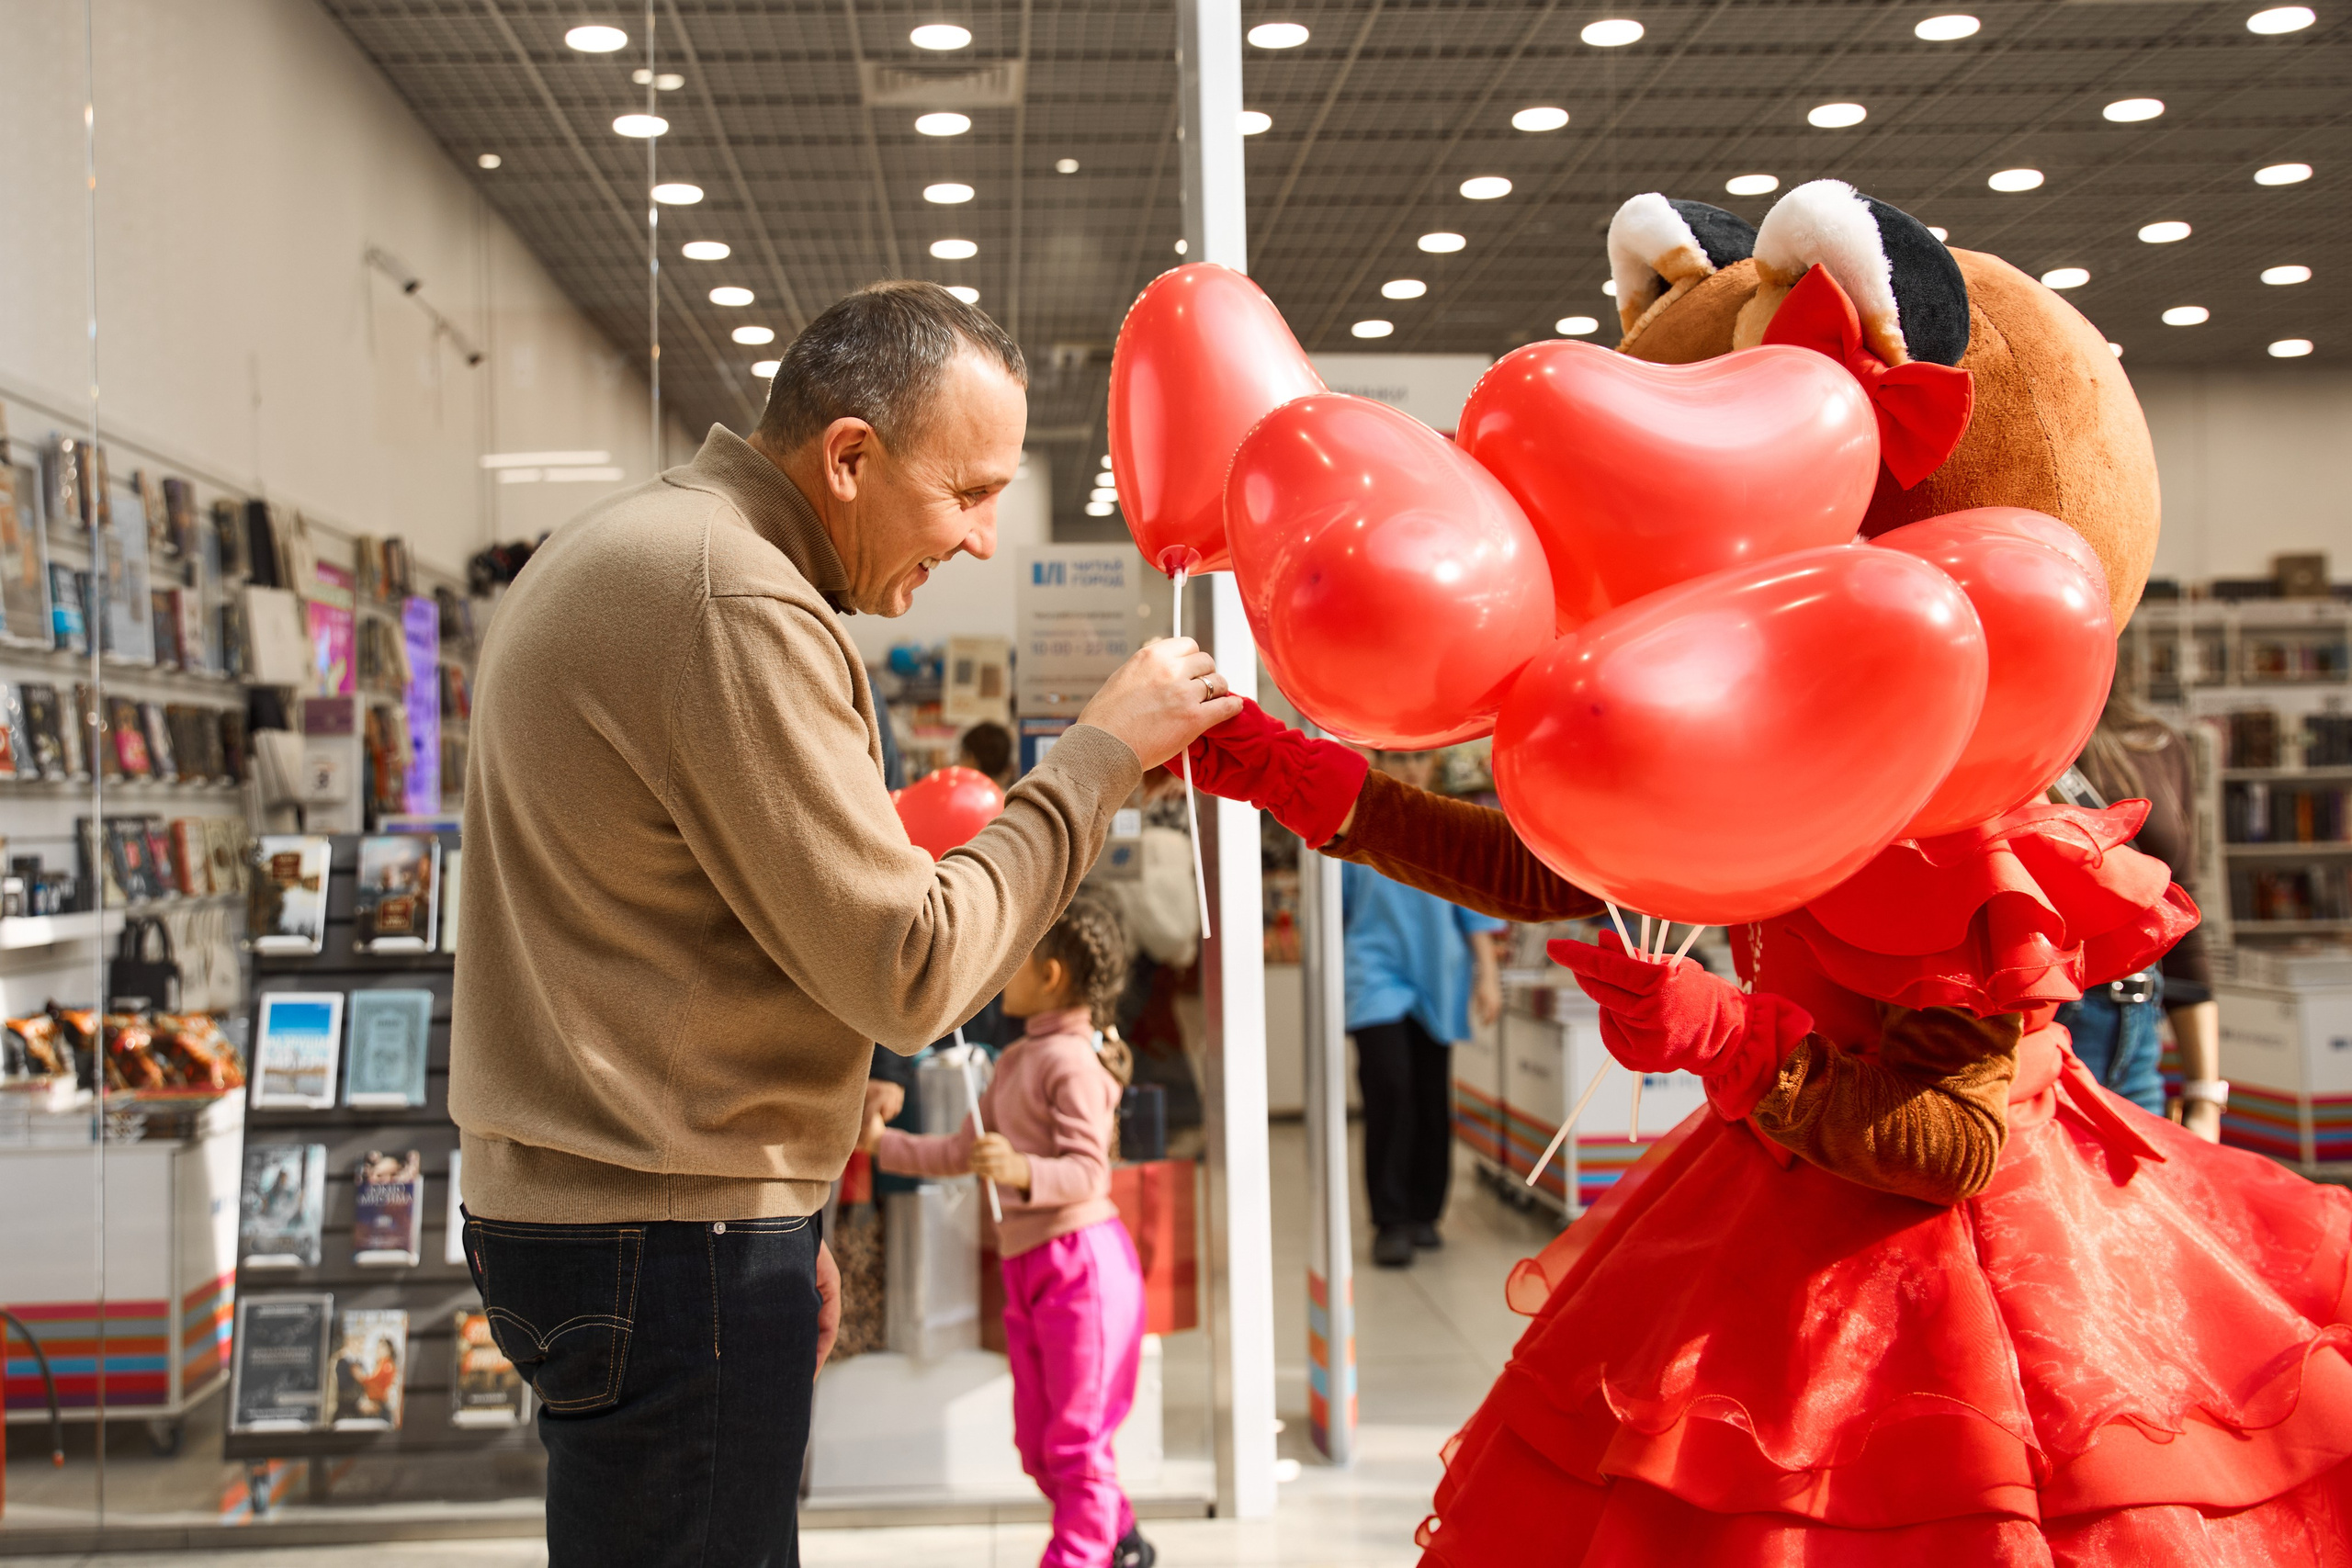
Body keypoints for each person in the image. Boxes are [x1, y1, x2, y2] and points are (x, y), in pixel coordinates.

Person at [1174, 185, 2352, 1562]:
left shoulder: (1957, 825)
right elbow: (1542, 862)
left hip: (1963, 1293)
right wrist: (1283, 767)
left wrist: (1728, 1037)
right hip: (1781, 1205)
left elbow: (1956, 1141)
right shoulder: (1781, 733)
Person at [448, 281, 1240, 1566]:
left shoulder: (659, 548)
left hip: (641, 1221)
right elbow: (911, 967)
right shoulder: (730, 595)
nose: (982, 538)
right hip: (668, 1233)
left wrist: (785, 1205)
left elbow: (706, 934)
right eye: (968, 492)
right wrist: (1097, 757)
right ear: (851, 457)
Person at [864, 895, 1154, 1568]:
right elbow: (961, 1151)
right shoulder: (1018, 1060)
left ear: (1051, 975)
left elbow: (1089, 1172)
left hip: (1081, 1268)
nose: (1001, 969)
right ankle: (1123, 1540)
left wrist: (1022, 1169)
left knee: (1075, 1445)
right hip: (1030, 1267)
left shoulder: (1073, 1063)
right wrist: (880, 1146)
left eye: (1016, 957)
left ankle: (1081, 1553)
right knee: (1039, 1444)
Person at [1344, 751, 1504, 1269]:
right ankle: (1390, 1220)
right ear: (1378, 758)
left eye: (1418, 758)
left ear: (1432, 761)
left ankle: (1424, 1212)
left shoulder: (1448, 822)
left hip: (1439, 974)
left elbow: (1473, 906)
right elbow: (1335, 910)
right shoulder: (1355, 819)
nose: (1410, 768)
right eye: (1399, 758)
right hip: (1374, 973)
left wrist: (1488, 976)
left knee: (1431, 1095)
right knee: (1390, 1089)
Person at [2059, 671, 2224, 1138]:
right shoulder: (2018, 748)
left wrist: (2205, 1096)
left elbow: (2181, 918)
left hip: (2140, 1030)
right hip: (2053, 1025)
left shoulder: (2157, 744)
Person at [958, 718, 1015, 787]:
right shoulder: (1009, 793)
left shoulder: (963, 792)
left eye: (962, 756)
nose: (959, 766)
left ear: (972, 759)